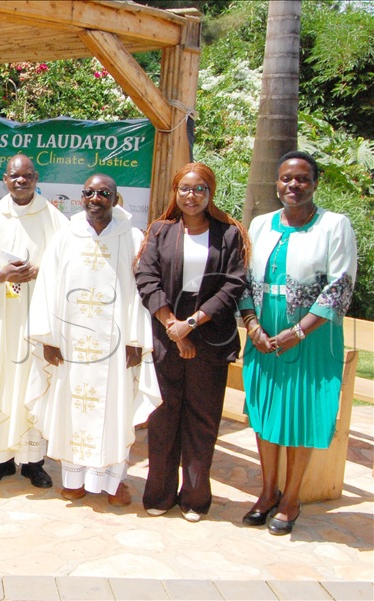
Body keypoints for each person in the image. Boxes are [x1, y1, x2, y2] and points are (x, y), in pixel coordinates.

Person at [238, 151, 357, 535]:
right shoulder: (259, 225)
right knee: (265, 413)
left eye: (302, 179)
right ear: (277, 183)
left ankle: (291, 498)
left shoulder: (335, 226)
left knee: (299, 417)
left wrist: (299, 331)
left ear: (315, 183)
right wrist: (251, 323)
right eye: (286, 178)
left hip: (310, 338)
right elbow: (242, 278)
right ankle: (267, 491)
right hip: (264, 336)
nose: (294, 185)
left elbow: (339, 287)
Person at [31, 174, 159, 506]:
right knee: (71, 409)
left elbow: (141, 291)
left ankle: (114, 483)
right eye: (89, 192)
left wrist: (135, 338)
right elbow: (48, 286)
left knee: (117, 409)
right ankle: (74, 480)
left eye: (104, 193)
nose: (95, 198)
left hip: (116, 347)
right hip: (71, 345)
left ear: (116, 199)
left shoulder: (132, 237)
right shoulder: (65, 236)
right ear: (81, 196)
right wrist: (48, 337)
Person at [134, 163, 250, 522]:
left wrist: (192, 324)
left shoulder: (229, 234)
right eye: (185, 188)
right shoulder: (160, 230)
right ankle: (160, 493)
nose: (191, 195)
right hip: (167, 327)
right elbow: (146, 276)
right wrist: (172, 324)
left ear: (210, 192)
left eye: (199, 188)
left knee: (202, 417)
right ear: (175, 191)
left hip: (210, 330)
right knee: (165, 415)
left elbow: (234, 284)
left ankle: (195, 498)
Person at [0, 154, 68, 488]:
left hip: (39, 320)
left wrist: (43, 271)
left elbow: (70, 265)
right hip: (2, 321)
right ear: (5, 179)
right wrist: (1, 273)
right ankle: (0, 459)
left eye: (27, 176)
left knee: (35, 382)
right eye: (15, 176)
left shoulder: (55, 220)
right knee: (3, 381)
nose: (21, 181)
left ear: (36, 178)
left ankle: (34, 461)